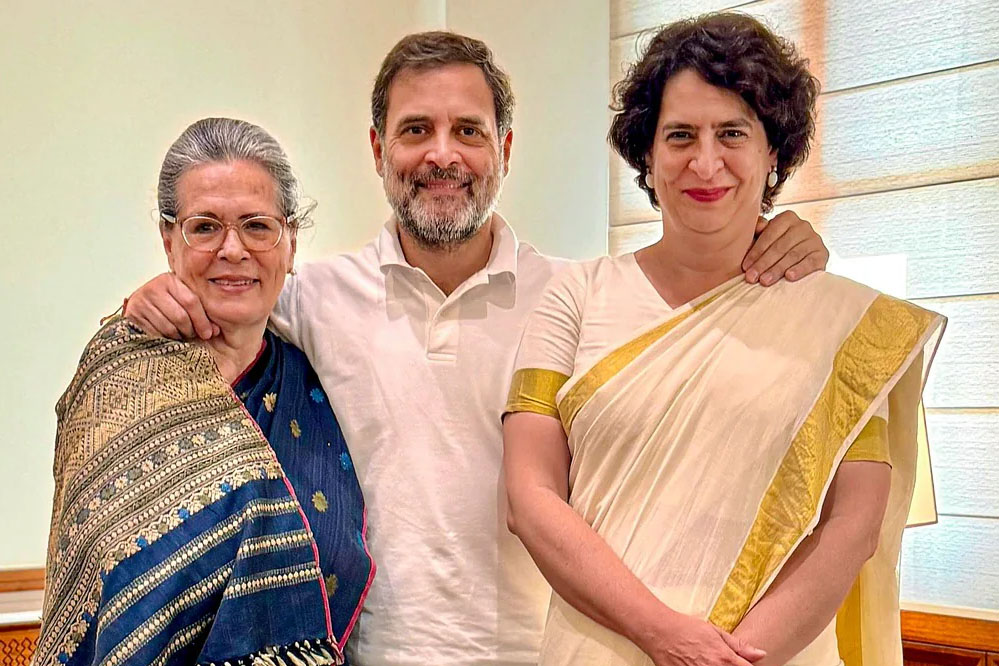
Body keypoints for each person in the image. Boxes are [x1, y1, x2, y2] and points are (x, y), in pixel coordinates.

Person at [123, 32, 831, 666]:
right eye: (416, 130)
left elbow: (704, 320)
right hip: (367, 653)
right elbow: (223, 295)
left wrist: (784, 242)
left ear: (504, 149)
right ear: (378, 150)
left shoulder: (582, 297)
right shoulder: (311, 300)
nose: (443, 154)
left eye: (468, 130)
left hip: (555, 649)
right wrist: (144, 301)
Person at [502, 13, 945, 666]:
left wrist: (729, 660)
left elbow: (851, 527)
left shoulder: (838, 320)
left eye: (732, 133)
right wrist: (663, 634)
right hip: (598, 646)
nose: (704, 162)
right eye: (679, 135)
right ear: (646, 155)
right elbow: (530, 498)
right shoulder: (574, 296)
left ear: (773, 153)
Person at [35, 118, 373, 666]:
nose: (233, 249)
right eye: (205, 227)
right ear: (169, 241)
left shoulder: (320, 379)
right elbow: (94, 595)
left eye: (257, 226)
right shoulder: (118, 377)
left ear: (290, 243)